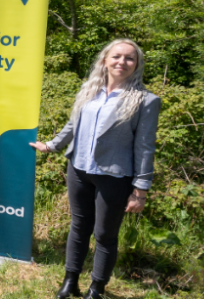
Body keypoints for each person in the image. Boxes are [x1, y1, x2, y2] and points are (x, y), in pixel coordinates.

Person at [29, 39, 160, 299]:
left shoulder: (146, 101)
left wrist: (140, 189)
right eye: (116, 56)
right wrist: (52, 146)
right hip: (78, 169)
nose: (122, 62)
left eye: (129, 58)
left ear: (137, 64)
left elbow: (145, 147)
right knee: (79, 227)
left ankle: (97, 288)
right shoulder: (90, 90)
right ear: (105, 60)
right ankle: (70, 282)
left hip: (114, 176)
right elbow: (73, 124)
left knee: (104, 234)